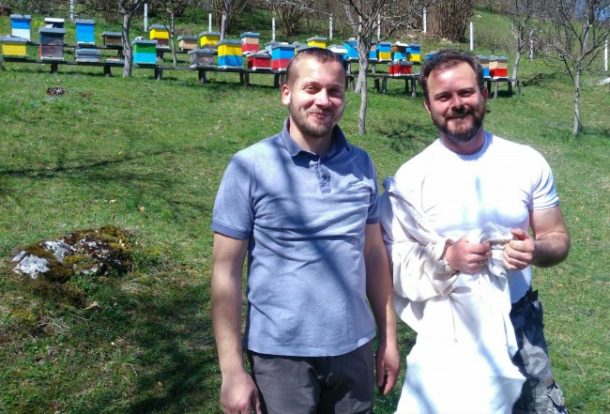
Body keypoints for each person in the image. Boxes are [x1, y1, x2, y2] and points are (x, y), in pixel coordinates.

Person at [211, 47, 400, 414]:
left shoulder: (361, 164)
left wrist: (389, 338)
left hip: (354, 350)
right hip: (280, 356)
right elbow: (225, 271)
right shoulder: (249, 167)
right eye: (311, 88)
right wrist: (231, 370)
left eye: (334, 91)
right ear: (287, 93)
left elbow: (374, 254)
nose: (323, 100)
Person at [380, 49, 570, 413]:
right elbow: (391, 261)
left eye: (466, 92)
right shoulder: (412, 178)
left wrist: (535, 250)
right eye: (443, 97)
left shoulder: (525, 161)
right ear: (428, 107)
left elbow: (557, 237)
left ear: (484, 94)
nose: (457, 104)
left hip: (520, 322)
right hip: (450, 328)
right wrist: (447, 258)